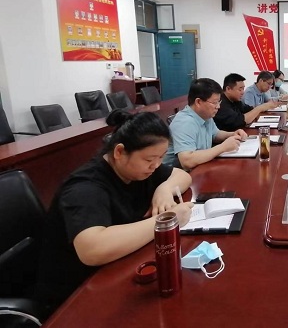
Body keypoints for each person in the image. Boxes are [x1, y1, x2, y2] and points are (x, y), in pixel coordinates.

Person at [36, 110, 195, 313]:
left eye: (161, 158)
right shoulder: (84, 187)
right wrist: (166, 221)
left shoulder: (138, 170)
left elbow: (182, 175)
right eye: (150, 159)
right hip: (75, 297)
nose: (156, 166)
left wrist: (164, 189)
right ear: (119, 152)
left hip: (118, 269)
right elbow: (92, 249)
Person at [163, 78, 247, 169]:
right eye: (214, 103)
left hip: (200, 168)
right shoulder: (184, 122)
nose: (218, 107)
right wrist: (223, 147)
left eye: (219, 102)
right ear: (198, 102)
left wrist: (232, 134)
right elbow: (187, 161)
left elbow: (215, 134)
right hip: (178, 174)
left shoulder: (205, 115)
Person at [214, 73, 280, 131]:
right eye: (240, 89)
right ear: (228, 89)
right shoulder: (221, 104)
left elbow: (249, 109)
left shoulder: (235, 100)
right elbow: (241, 120)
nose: (243, 92)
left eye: (243, 89)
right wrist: (261, 107)